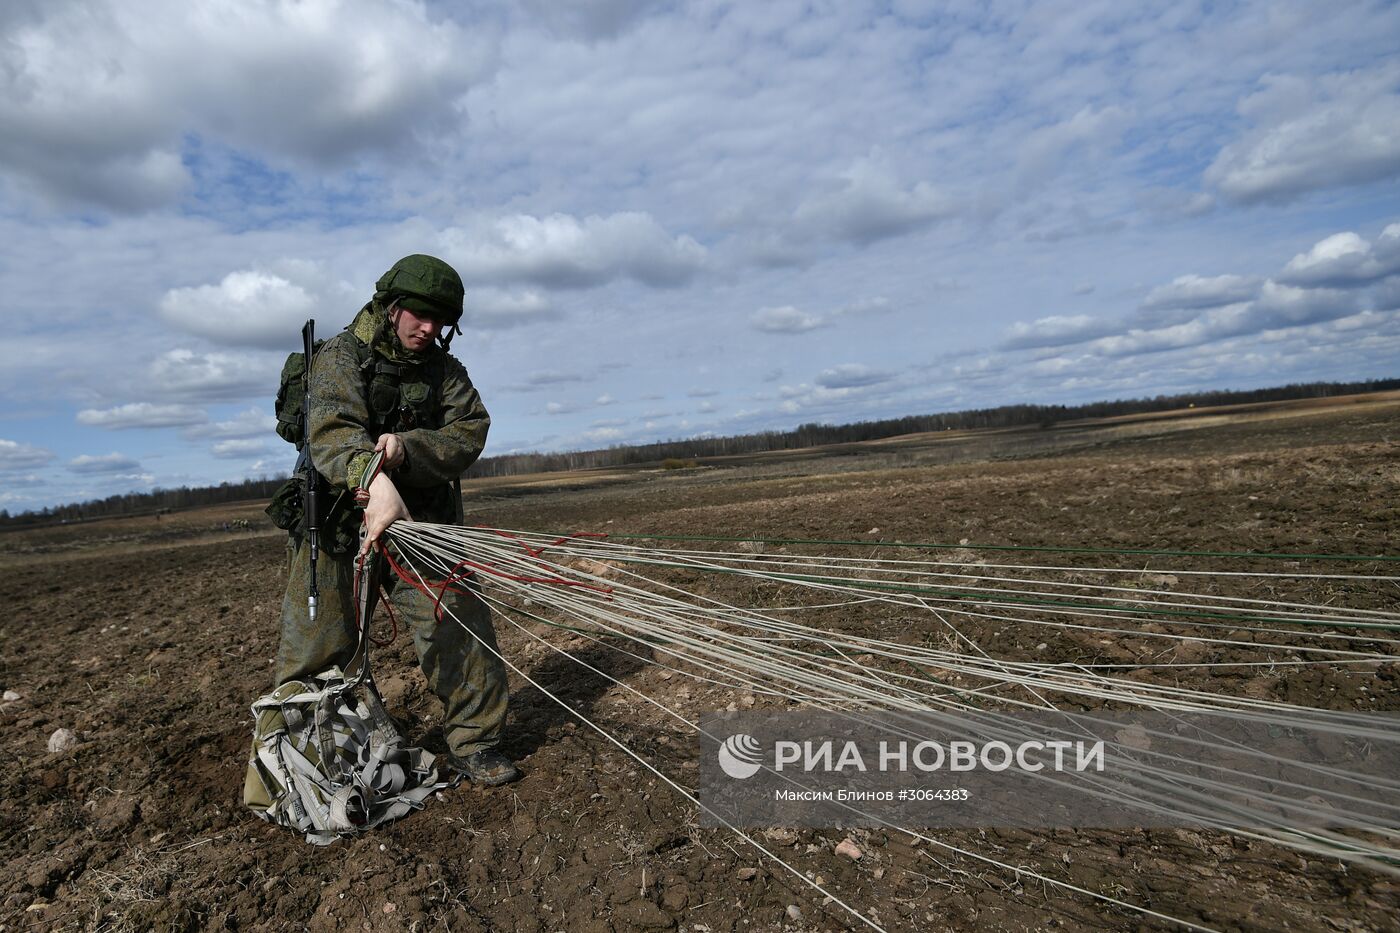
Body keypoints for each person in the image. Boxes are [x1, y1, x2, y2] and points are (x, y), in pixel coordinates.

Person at [274, 253, 519, 786]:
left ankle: (477, 742)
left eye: (439, 321)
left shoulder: (445, 371)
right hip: (339, 526)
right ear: (392, 309)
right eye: (418, 315)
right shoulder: (341, 357)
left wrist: (406, 451)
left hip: (422, 527)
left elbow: (469, 430)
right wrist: (371, 473)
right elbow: (333, 432)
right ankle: (301, 754)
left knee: (457, 627)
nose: (428, 329)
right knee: (318, 644)